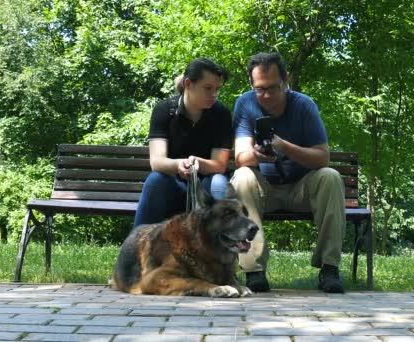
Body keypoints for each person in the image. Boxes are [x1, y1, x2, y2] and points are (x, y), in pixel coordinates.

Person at [230, 52, 346, 293]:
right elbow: (241, 157)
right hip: (264, 189)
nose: (266, 96)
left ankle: (329, 268)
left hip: (301, 188)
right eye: (260, 89)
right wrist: (258, 154)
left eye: (273, 88)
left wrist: (285, 147)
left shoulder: (304, 105)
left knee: (331, 177)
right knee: (242, 176)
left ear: (286, 80)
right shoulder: (245, 103)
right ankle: (254, 271)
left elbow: (323, 157)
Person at [134, 58, 232, 227]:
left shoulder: (221, 114)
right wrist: (179, 164)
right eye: (208, 88)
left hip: (207, 185)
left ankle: (221, 249)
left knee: (218, 182)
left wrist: (197, 163)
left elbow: (219, 166)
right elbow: (156, 162)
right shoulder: (164, 110)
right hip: (173, 185)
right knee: (155, 180)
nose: (214, 94)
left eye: (217, 89)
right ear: (188, 84)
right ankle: (136, 249)